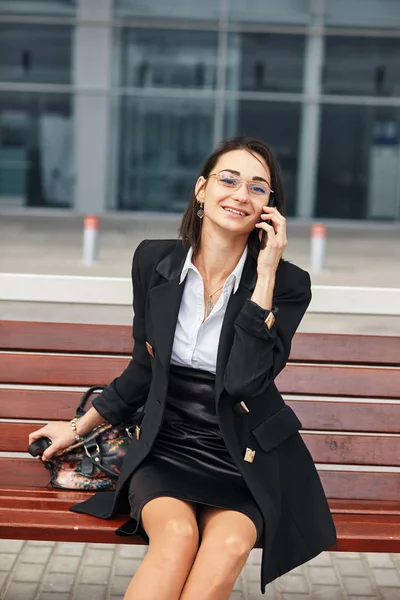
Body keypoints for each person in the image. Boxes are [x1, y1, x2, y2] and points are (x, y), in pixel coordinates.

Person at [29, 136, 336, 600]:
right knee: (175, 539)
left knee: (230, 544)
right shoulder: (154, 261)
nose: (240, 195)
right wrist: (78, 427)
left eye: (258, 188)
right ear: (201, 189)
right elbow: (142, 371)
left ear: (270, 209)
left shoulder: (288, 284)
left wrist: (266, 274)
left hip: (243, 456)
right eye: (228, 180)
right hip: (166, 448)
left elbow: (244, 381)